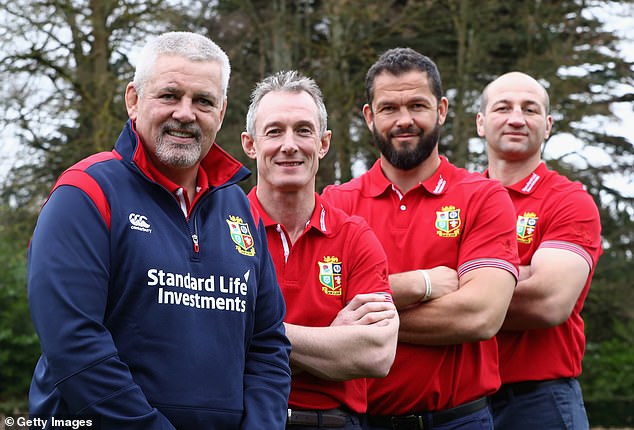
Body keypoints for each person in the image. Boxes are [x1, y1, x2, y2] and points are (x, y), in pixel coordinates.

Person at [27, 32, 291, 430]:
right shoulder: (86, 193)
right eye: (169, 95)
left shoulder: (240, 209)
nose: (186, 113)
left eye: (203, 101)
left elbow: (268, 345)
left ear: (221, 113)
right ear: (133, 100)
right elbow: (73, 344)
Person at [322, 47, 520, 430]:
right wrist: (422, 284)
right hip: (358, 422)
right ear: (369, 116)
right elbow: (317, 310)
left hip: (458, 420)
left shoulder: (483, 197)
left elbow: (480, 314)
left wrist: (360, 315)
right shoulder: (335, 203)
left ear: (441, 110)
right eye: (389, 109)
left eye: (417, 105)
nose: (404, 120)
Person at [240, 70, 399, 430]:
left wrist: (256, 334)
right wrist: (330, 337)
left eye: (303, 130)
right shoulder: (221, 229)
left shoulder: (354, 236)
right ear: (250, 144)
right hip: (247, 420)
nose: (290, 144)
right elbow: (209, 344)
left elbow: (376, 354)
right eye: (274, 131)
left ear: (324, 143)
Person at [476, 71, 602, 430]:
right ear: (481, 123)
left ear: (547, 126)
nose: (517, 118)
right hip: (462, 406)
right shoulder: (459, 202)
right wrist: (522, 271)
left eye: (529, 110)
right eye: (503, 107)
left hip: (539, 402)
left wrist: (458, 284)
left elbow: (548, 301)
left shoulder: (569, 201)